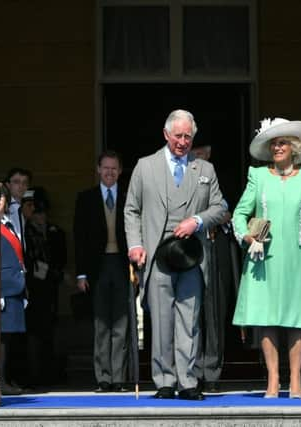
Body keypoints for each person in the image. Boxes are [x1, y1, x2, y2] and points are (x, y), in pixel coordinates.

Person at [124, 109, 226, 400]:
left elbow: (219, 208)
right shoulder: (145, 167)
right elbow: (131, 209)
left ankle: (188, 380)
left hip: (192, 254)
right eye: (178, 136)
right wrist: (135, 244)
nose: (183, 142)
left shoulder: (205, 170)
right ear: (166, 134)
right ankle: (164, 380)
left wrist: (197, 220)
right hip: (157, 254)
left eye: (188, 136)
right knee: (161, 318)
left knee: (189, 317)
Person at [232, 117, 301, 399]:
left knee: (298, 318)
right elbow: (239, 213)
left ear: (294, 146)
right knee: (266, 317)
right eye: (273, 143)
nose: (277, 147)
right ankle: (273, 379)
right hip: (265, 258)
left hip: (298, 255)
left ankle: (295, 378)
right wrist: (246, 236)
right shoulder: (258, 176)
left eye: (282, 142)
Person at [74, 150, 130, 393]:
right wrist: (81, 274)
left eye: (114, 168)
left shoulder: (129, 197)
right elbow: (79, 238)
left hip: (121, 264)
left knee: (121, 323)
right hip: (97, 267)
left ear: (120, 171)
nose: (109, 172)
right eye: (105, 168)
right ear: (98, 170)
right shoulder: (85, 198)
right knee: (101, 324)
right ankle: (103, 378)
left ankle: (119, 378)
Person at [191, 143, 240, 393]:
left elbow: (228, 214)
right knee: (191, 314)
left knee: (215, 314)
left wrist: (212, 214)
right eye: (195, 152)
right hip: (191, 251)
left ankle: (212, 372)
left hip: (217, 248)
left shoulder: (222, 180)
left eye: (203, 152)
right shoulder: (184, 178)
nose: (199, 156)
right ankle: (192, 371)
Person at [24, 187, 67, 387]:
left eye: (42, 212)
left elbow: (61, 258)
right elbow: (32, 262)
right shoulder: (26, 232)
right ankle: (34, 375)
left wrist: (55, 273)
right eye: (37, 212)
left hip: (50, 290)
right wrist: (52, 272)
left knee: (50, 331)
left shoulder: (55, 232)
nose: (40, 216)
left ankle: (49, 373)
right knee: (33, 334)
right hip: (32, 289)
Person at [0, 184, 28, 396]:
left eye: (2, 197)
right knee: (1, 340)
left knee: (11, 339)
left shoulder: (8, 224)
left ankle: (7, 379)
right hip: (2, 288)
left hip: (15, 286)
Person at [4, 168, 31, 253]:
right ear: (8, 185)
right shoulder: (4, 207)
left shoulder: (22, 208)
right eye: (16, 182)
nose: (21, 186)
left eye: (25, 183)